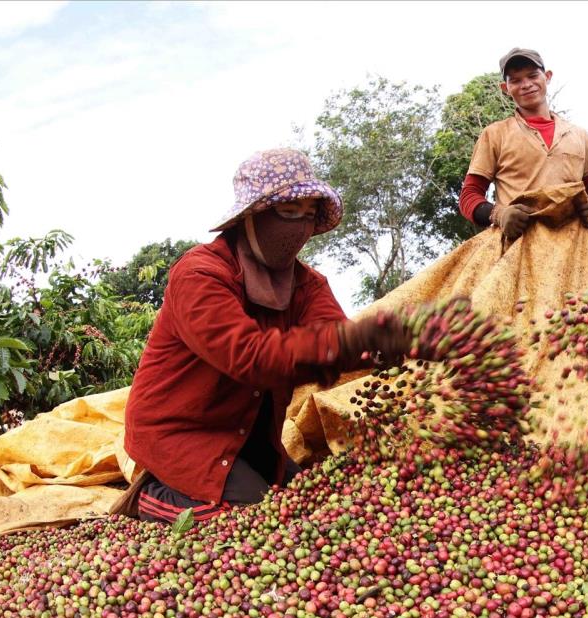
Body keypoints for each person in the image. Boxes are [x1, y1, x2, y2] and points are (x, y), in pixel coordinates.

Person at [123, 148, 412, 524]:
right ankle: (152, 496)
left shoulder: (307, 285)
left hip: (251, 435)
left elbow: (333, 337)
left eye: (309, 215)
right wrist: (352, 340)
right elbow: (250, 356)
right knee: (252, 521)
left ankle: (239, 480)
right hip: (181, 434)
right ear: (251, 217)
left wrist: (383, 347)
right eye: (288, 212)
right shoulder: (200, 275)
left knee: (310, 504)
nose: (299, 228)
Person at [459, 47, 588, 240]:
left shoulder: (579, 136)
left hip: (577, 243)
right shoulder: (495, 134)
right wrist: (499, 214)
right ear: (505, 88)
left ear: (547, 77)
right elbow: (469, 195)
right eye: (516, 80)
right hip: (518, 243)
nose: (526, 85)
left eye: (532, 76)